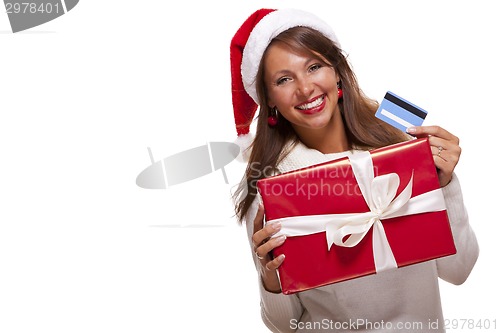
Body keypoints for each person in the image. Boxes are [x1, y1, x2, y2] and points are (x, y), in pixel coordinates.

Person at [230, 8, 479, 333]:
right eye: (284, 79)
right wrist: (270, 275)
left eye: (314, 66)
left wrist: (446, 185)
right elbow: (285, 325)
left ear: (337, 71)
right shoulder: (271, 188)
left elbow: (459, 271)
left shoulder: (401, 141)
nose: (304, 88)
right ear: (270, 100)